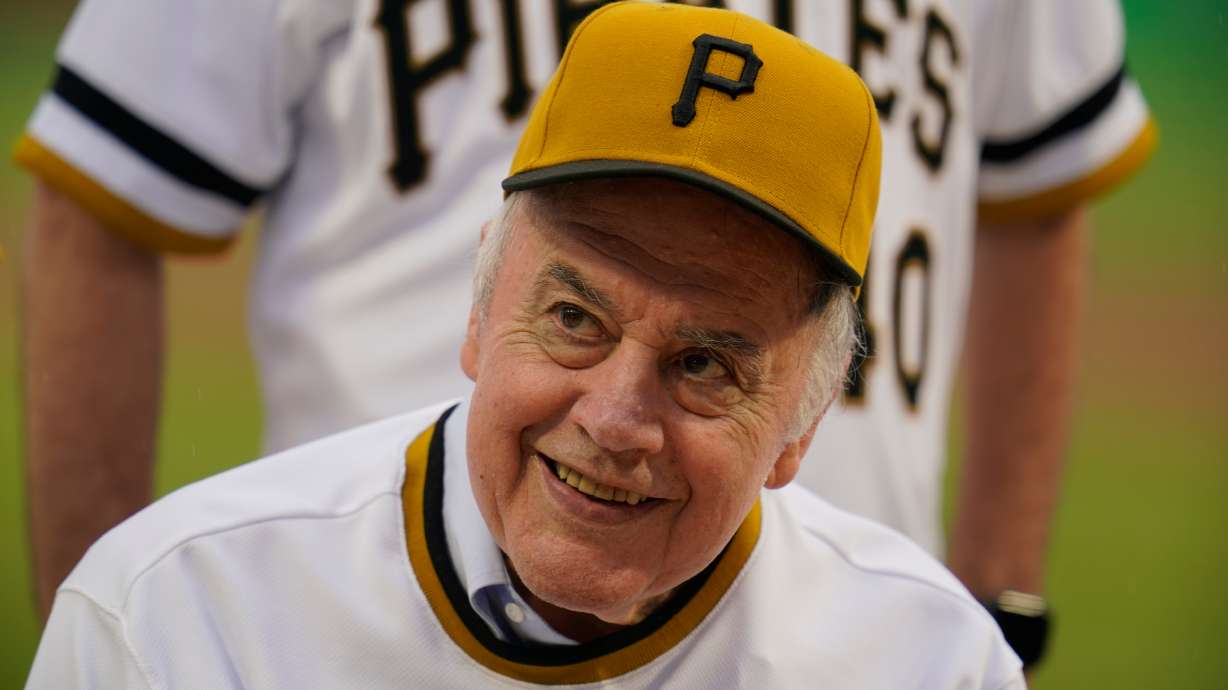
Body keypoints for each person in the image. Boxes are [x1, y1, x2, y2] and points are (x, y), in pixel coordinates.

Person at [18, 0, 1153, 664]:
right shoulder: (186, 603)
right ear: (481, 307)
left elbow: (1039, 184)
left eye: (700, 360)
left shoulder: (924, 654)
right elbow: (103, 197)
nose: (618, 412)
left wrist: (994, 609)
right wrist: (129, 628)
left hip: (832, 631)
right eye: (573, 316)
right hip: (338, 620)